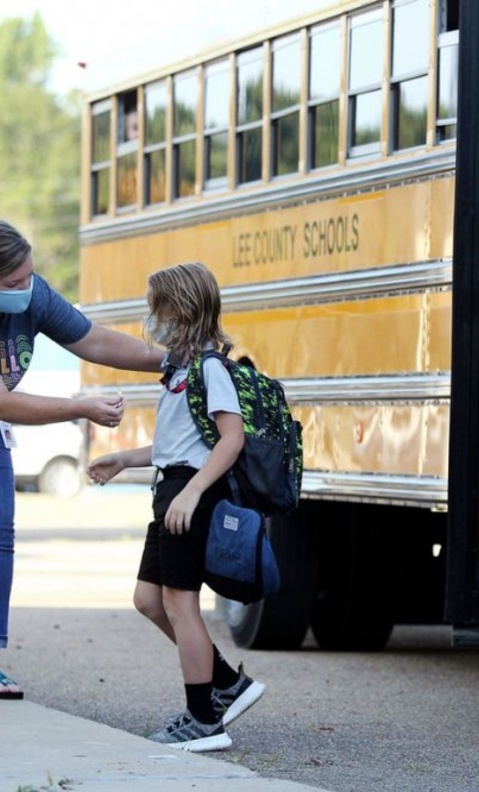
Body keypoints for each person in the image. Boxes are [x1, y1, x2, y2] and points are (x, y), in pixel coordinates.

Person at [87, 261, 264, 752]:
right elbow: (175, 443)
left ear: (182, 310)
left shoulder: (211, 368)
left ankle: (205, 720)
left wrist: (191, 492)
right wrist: (125, 458)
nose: (152, 320)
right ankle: (227, 682)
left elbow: (231, 440)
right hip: (171, 491)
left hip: (191, 495)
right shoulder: (179, 369)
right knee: (149, 600)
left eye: (157, 309)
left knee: (180, 603)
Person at [0, 219, 165, 700]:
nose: (24, 290)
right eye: (12, 284)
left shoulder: (34, 295)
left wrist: (174, 358)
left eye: (29, 277)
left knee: (1, 543)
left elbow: (95, 341)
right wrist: (80, 407)